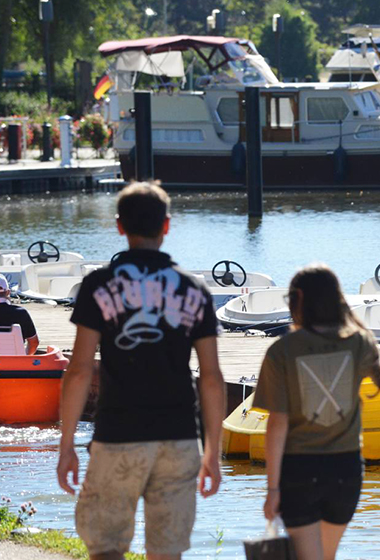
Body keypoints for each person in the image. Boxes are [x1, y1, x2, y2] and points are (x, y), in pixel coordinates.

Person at [56, 182, 225, 560]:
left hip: (118, 434)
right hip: (179, 438)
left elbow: (79, 370)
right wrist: (212, 450)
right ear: (166, 226)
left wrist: (67, 444)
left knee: (107, 547)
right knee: (166, 552)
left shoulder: (98, 285)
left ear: (119, 226)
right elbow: (212, 377)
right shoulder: (194, 289)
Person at [253, 264, 380, 560]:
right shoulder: (359, 342)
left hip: (299, 470)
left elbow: (277, 424)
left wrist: (272, 490)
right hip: (346, 469)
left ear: (297, 299)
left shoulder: (282, 351)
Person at [0, 273, 39, 354]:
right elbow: (34, 343)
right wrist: (25, 358)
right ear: (7, 292)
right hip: (15, 363)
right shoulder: (21, 313)